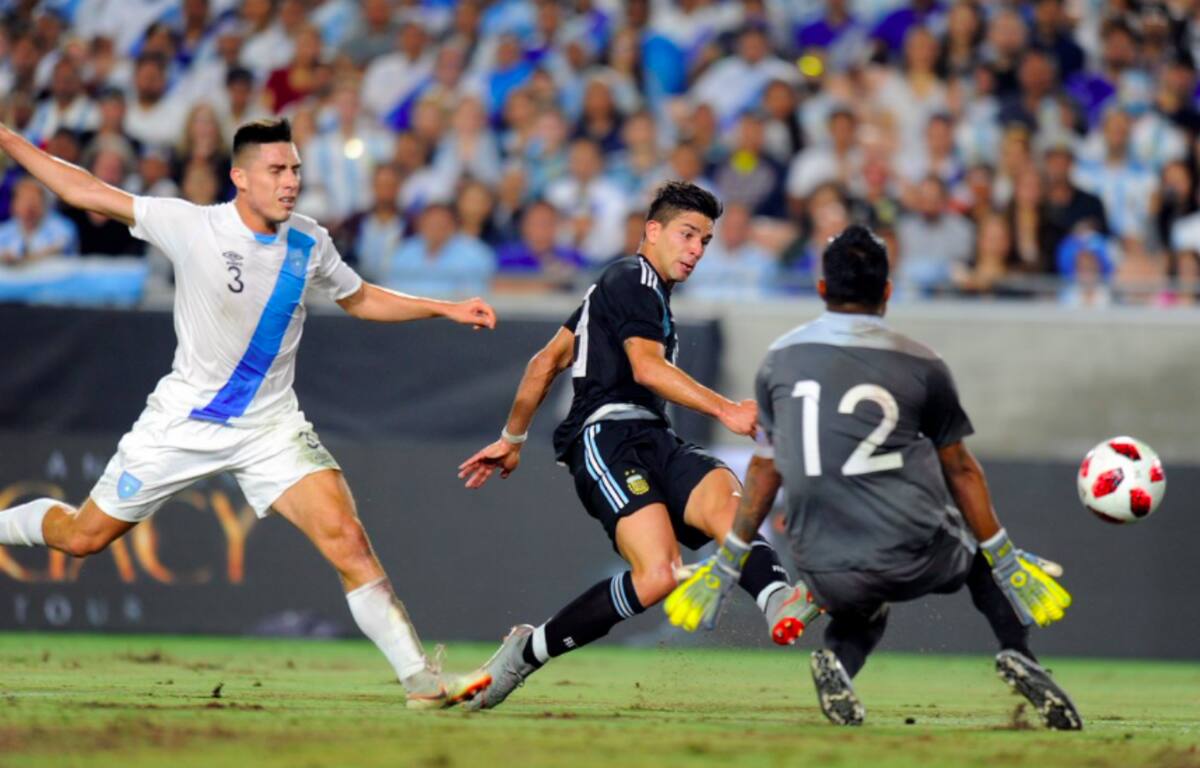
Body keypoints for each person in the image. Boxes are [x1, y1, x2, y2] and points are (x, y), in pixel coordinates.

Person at [0, 117, 496, 710]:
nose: (291, 182)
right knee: (83, 537)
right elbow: (84, 191)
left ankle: (421, 683)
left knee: (348, 539)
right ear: (240, 177)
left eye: (296, 171)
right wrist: (7, 139)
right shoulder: (191, 225)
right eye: (277, 171)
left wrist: (444, 308)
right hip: (183, 423)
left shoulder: (310, 241)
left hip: (270, 427)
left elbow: (360, 297)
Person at [664, 225, 1081, 731]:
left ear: (822, 289)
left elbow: (764, 468)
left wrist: (730, 558)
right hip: (909, 543)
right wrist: (1004, 554)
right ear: (887, 291)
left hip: (817, 559)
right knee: (980, 557)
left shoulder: (779, 360)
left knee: (863, 604)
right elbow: (961, 468)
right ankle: (1020, 655)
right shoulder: (921, 362)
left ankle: (838, 663)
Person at [457, 182, 813, 710]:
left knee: (724, 499)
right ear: (653, 231)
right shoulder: (630, 276)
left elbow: (545, 362)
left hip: (654, 435)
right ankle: (524, 653)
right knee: (659, 575)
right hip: (606, 438)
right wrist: (726, 409)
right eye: (687, 235)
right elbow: (646, 368)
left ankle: (778, 598)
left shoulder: (627, 291)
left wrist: (512, 440)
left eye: (705, 241)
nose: (696, 249)